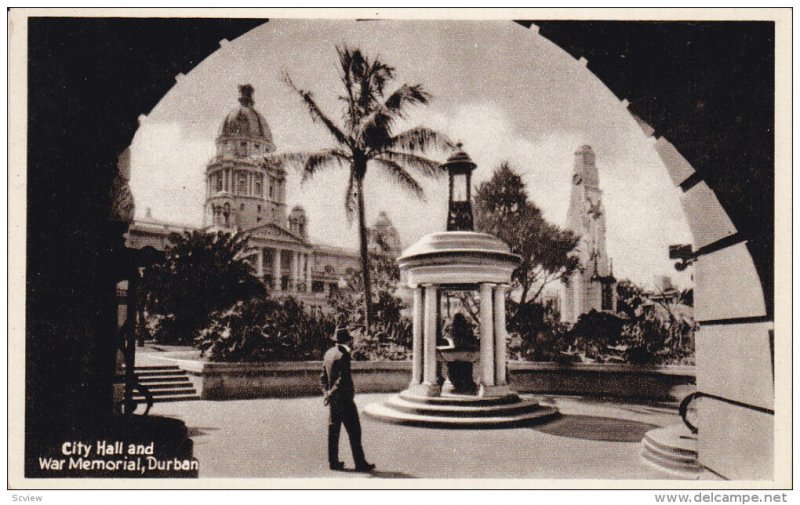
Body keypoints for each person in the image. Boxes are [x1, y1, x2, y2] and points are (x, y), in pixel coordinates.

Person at [320, 327, 375, 472]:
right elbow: (342, 378)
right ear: (347, 340)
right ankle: (360, 463)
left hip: (334, 401)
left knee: (334, 430)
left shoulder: (328, 353)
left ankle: (333, 462)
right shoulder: (344, 354)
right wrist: (331, 393)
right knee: (355, 430)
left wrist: (326, 393)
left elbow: (323, 377)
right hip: (344, 399)